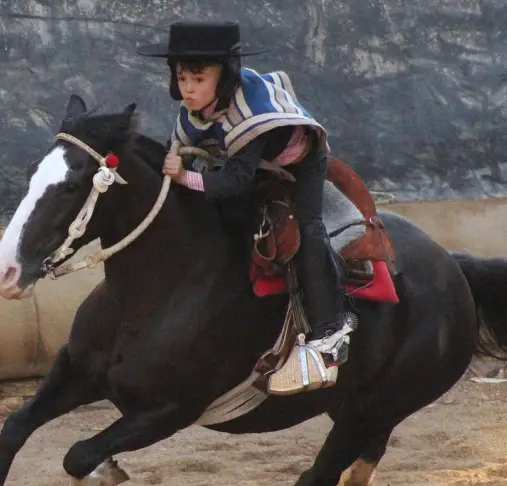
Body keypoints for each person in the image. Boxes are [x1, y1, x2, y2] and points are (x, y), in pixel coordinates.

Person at [136, 20, 355, 388]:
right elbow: (188, 156)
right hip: (243, 160)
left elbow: (236, 180)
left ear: (223, 79)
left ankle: (330, 332)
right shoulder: (194, 110)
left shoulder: (247, 112)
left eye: (198, 79)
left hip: (297, 162)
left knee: (307, 228)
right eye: (181, 78)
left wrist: (183, 178)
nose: (188, 89)